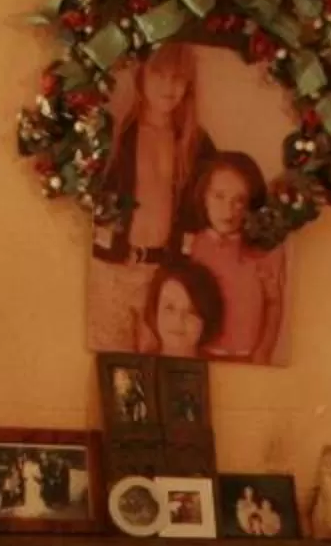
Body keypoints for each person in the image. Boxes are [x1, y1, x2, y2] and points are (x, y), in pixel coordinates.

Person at [84, 42, 215, 352]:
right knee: (110, 367)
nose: (169, 87)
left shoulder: (196, 145)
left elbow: (205, 209)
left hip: (163, 279)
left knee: (157, 367)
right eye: (159, 74)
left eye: (179, 78)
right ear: (141, 74)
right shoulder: (115, 136)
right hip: (111, 271)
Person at [180, 151, 285, 364]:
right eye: (219, 196)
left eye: (239, 201)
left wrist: (263, 351)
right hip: (200, 356)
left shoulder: (263, 251)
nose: (227, 210)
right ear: (204, 196)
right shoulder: (193, 245)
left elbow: (274, 304)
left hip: (247, 357)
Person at [146, 254, 224, 360]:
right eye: (170, 308)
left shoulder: (222, 370)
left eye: (191, 311)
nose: (178, 320)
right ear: (155, 310)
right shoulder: (137, 368)